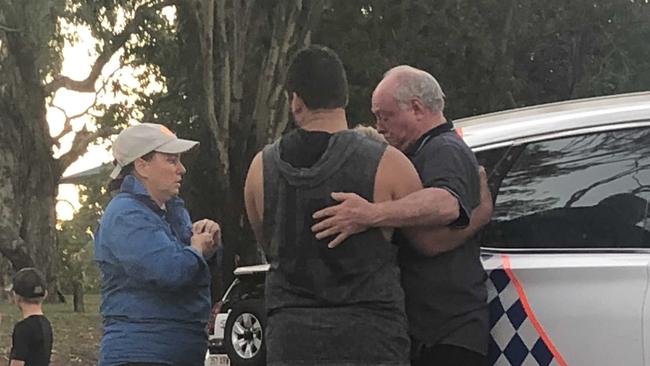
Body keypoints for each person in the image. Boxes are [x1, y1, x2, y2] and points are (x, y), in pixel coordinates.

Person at [243, 46, 442, 366]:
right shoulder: (389, 164)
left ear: (295, 100)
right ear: (344, 97)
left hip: (292, 338)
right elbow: (428, 242)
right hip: (371, 336)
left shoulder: (260, 169)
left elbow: (269, 243)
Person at [312, 65, 491, 366]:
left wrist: (371, 213)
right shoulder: (417, 152)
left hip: (446, 329)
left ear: (417, 108)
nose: (380, 126)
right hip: (423, 329)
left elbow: (446, 204)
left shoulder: (443, 149)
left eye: (385, 116)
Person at [95, 123, 221, 366]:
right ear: (142, 165)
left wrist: (210, 247)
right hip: (141, 353)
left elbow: (190, 267)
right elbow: (169, 271)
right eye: (171, 160)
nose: (182, 169)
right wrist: (197, 250)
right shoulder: (125, 214)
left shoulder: (172, 209)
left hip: (176, 351)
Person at [8, 267, 53, 366]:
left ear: (16, 296)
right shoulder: (46, 324)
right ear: (45, 294)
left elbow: (17, 363)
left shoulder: (23, 328)